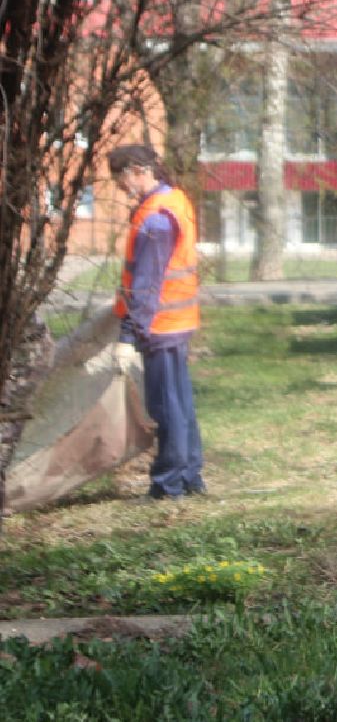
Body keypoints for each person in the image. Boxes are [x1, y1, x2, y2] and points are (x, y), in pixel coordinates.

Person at [108, 144, 206, 501]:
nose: (122, 190)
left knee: (166, 407)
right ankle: (190, 476)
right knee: (180, 403)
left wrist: (127, 336)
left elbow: (147, 285)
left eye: (121, 181)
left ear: (137, 171)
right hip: (177, 320)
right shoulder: (174, 201)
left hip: (161, 325)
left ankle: (168, 486)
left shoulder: (155, 220)